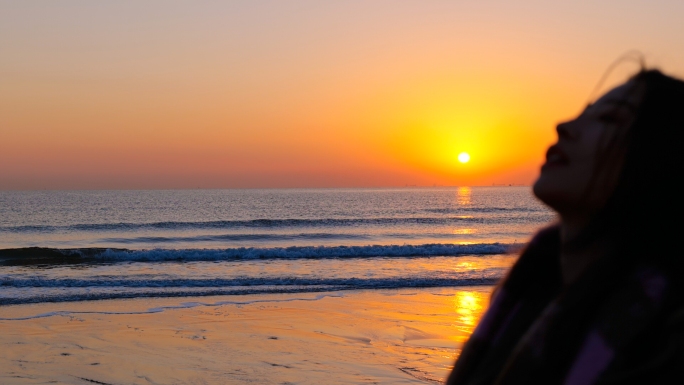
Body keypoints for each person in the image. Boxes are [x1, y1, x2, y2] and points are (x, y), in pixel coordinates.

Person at [446, 68, 684, 385]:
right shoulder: (528, 297)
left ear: (663, 160)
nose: (564, 126)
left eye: (609, 119)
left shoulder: (667, 340)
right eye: (583, 114)